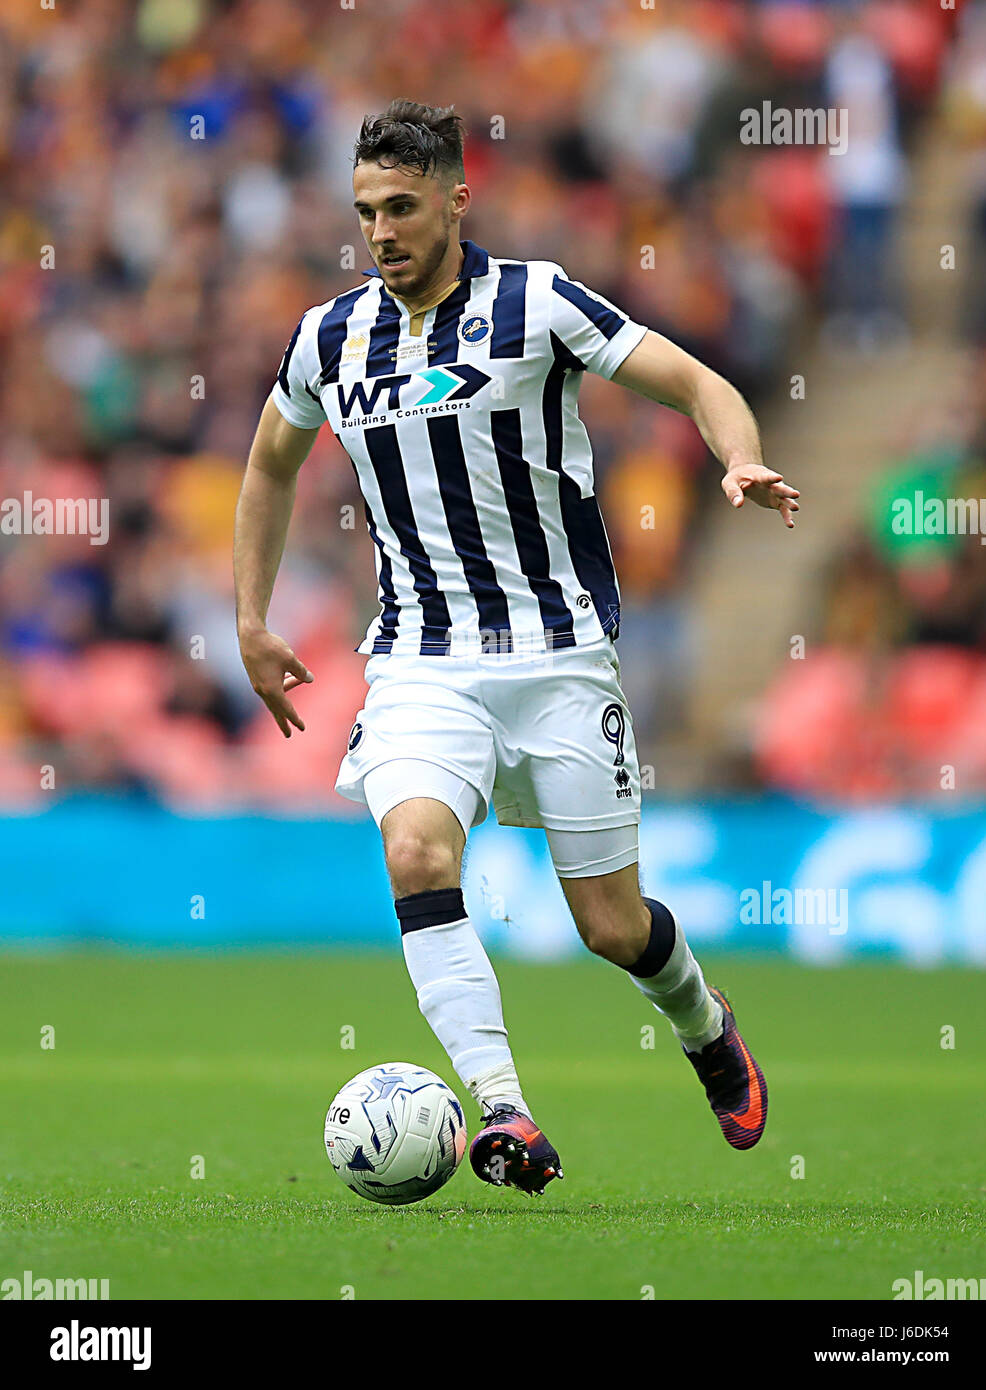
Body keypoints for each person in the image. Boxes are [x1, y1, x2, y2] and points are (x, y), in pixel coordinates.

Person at [234, 100, 799, 1194]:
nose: (382, 232)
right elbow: (268, 465)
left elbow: (693, 380)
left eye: (401, 207)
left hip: (562, 653)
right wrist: (249, 620)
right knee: (416, 854)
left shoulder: (535, 302)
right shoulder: (327, 336)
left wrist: (739, 456)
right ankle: (505, 1112)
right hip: (419, 657)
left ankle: (703, 1022)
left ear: (456, 197)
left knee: (611, 924)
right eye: (365, 213)